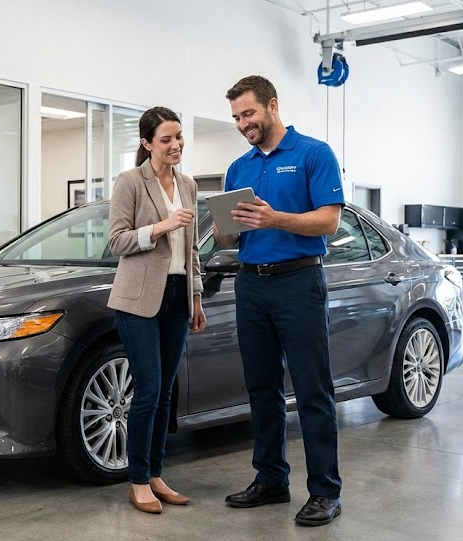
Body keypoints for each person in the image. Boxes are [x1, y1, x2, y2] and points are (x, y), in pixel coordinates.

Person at [214, 75, 344, 527]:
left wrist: (275, 218)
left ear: (272, 106)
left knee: (312, 389)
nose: (242, 123)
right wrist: (223, 229)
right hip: (251, 284)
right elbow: (232, 236)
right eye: (235, 117)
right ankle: (270, 479)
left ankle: (325, 490)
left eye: (248, 113)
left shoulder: (314, 154)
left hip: (299, 283)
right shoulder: (239, 168)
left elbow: (328, 222)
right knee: (261, 388)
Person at [108, 106, 207, 514]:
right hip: (138, 299)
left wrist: (196, 297)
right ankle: (136, 481)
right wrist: (161, 228)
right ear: (147, 143)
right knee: (147, 390)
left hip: (178, 295)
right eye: (165, 139)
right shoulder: (130, 182)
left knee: (165, 392)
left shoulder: (188, 185)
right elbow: (116, 241)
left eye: (178, 137)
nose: (175, 145)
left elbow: (194, 248)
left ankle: (155, 475)